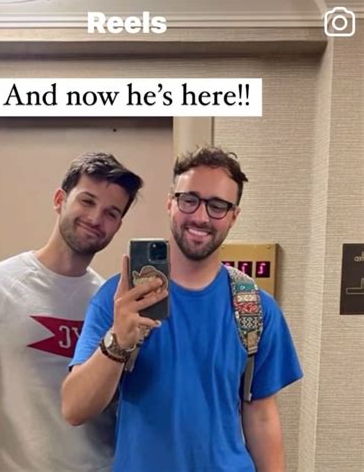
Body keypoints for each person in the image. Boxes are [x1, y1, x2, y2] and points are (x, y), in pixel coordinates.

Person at [62, 146, 303, 472]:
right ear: (170, 203)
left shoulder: (255, 308)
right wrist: (118, 341)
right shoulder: (118, 299)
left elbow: (260, 415)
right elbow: (74, 409)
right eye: (189, 200)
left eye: (217, 206)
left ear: (234, 216)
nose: (201, 217)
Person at [0, 152, 143, 472]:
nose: (95, 218)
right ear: (60, 200)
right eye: (87, 201)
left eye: (110, 213)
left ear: (117, 226)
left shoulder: (108, 303)